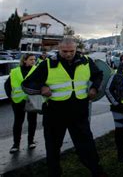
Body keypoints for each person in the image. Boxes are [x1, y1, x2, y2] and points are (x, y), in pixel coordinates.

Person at [22, 38, 105, 177]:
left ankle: (96, 171)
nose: (68, 54)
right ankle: (54, 173)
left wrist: (95, 88)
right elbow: (27, 85)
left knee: (87, 145)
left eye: (71, 51)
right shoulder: (47, 64)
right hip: (55, 114)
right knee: (53, 148)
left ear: (76, 48)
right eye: (64, 51)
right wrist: (41, 87)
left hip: (79, 114)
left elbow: (99, 75)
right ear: (59, 48)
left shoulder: (86, 61)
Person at [4, 53, 38, 153]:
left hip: (33, 99)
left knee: (32, 121)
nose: (33, 61)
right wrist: (11, 97)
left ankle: (31, 141)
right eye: (31, 59)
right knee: (18, 122)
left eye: (34, 59)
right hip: (18, 101)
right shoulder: (15, 71)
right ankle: (16, 145)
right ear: (24, 60)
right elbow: (7, 85)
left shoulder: (37, 70)